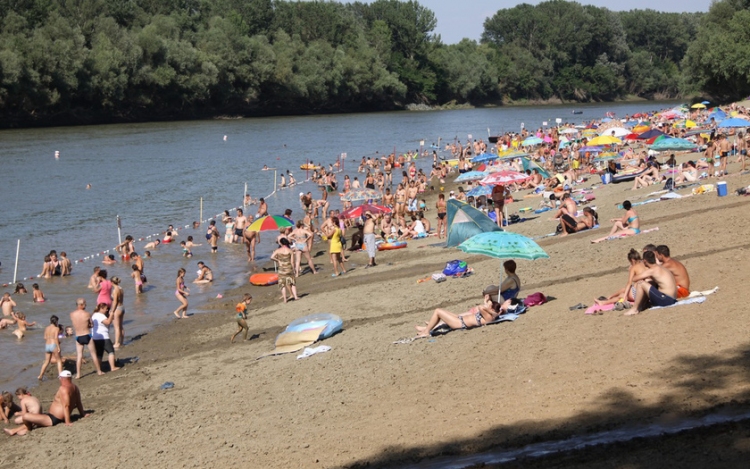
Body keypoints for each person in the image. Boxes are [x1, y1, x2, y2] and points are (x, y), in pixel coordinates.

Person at [415, 288, 517, 337]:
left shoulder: (489, 317)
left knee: (438, 311)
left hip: (460, 324)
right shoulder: (490, 315)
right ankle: (426, 329)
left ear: (491, 309)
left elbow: (481, 308)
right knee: (442, 312)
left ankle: (426, 332)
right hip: (460, 320)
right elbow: (483, 308)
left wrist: (486, 304)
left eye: (489, 307)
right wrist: (488, 304)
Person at [15, 370, 87, 433]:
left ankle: (27, 429)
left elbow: (66, 405)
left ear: (62, 378)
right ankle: (14, 430)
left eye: (60, 378)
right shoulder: (75, 387)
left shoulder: (63, 389)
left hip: (53, 419)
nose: (60, 380)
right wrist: (82, 414)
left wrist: (67, 421)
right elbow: (78, 402)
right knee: (26, 419)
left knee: (25, 416)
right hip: (53, 417)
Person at [623, 250, 678, 316]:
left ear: (645, 261)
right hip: (673, 299)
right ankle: (642, 305)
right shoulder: (661, 267)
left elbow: (634, 279)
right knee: (650, 282)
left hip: (666, 300)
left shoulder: (652, 270)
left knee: (641, 283)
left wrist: (631, 270)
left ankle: (634, 309)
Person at [70, 298, 103, 378]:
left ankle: (78, 375)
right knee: (93, 354)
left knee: (79, 355)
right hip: (87, 335)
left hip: (78, 336)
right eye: (85, 303)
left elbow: (75, 323)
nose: (86, 305)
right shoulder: (87, 314)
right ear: (81, 305)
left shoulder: (72, 314)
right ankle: (99, 371)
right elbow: (91, 325)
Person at [91, 303, 119, 373]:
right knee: (111, 351)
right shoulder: (100, 315)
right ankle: (112, 367)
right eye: (106, 308)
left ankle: (99, 369)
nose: (107, 310)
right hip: (103, 336)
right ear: (101, 308)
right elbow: (108, 322)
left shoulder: (94, 315)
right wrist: (112, 314)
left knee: (99, 354)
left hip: (95, 337)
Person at [271, 238, 299, 303]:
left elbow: (272, 257)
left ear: (281, 243)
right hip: (288, 267)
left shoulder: (278, 250)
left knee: (282, 284)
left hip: (282, 268)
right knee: (292, 283)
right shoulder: (290, 250)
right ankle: (295, 296)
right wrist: (294, 269)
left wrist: (278, 260)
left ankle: (285, 300)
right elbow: (292, 262)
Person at [38, 315, 63, 380]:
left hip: (47, 345)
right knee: (59, 360)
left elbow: (45, 337)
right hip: (53, 344)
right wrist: (58, 346)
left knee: (46, 361)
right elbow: (55, 338)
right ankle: (60, 375)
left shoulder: (47, 328)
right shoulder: (56, 328)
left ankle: (40, 375)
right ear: (56, 321)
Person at [110, 277, 125, 349]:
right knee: (121, 326)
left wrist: (112, 311)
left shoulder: (115, 290)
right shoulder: (121, 288)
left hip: (117, 309)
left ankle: (116, 343)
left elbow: (115, 301)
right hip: (122, 307)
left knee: (116, 327)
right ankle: (121, 342)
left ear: (111, 282)